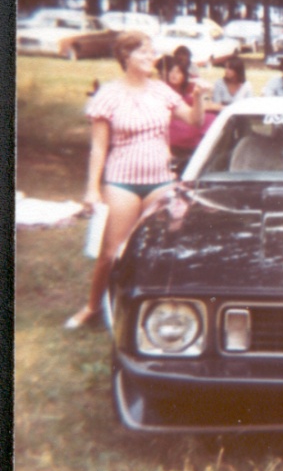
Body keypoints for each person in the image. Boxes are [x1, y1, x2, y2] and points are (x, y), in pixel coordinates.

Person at [65, 31, 209, 330]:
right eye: (143, 52)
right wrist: (92, 188)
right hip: (121, 183)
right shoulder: (108, 95)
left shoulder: (161, 91)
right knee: (111, 252)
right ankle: (93, 307)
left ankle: (150, 310)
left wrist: (198, 97)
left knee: (160, 251)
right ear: (125, 57)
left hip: (160, 181)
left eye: (151, 52)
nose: (150, 57)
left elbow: (194, 121)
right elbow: (99, 148)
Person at [163, 55, 217, 164]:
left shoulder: (192, 88)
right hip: (174, 121)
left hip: (190, 118)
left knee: (211, 119)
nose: (174, 75)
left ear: (184, 76)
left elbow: (206, 99)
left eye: (178, 72)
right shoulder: (163, 89)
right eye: (172, 72)